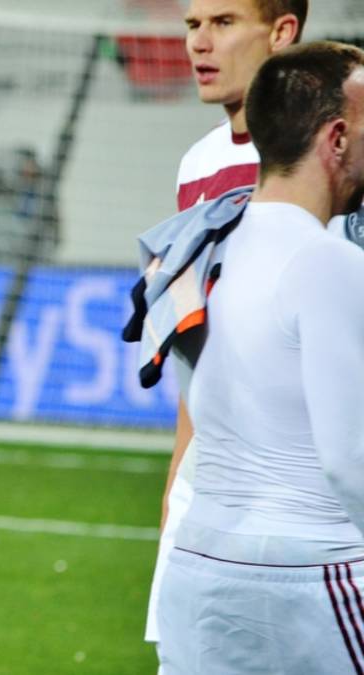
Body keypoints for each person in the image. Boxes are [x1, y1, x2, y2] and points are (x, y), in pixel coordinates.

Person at [153, 41, 364, 673]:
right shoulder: (327, 260)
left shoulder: (195, 246)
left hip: (196, 566)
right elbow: (348, 459)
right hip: (309, 575)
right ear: (335, 139)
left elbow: (199, 404)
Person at [144, 0, 305, 652]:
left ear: (282, 31)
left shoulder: (333, 152)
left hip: (303, 484)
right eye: (192, 25)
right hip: (209, 477)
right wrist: (178, 481)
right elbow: (197, 343)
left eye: (224, 22)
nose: (199, 43)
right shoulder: (197, 163)